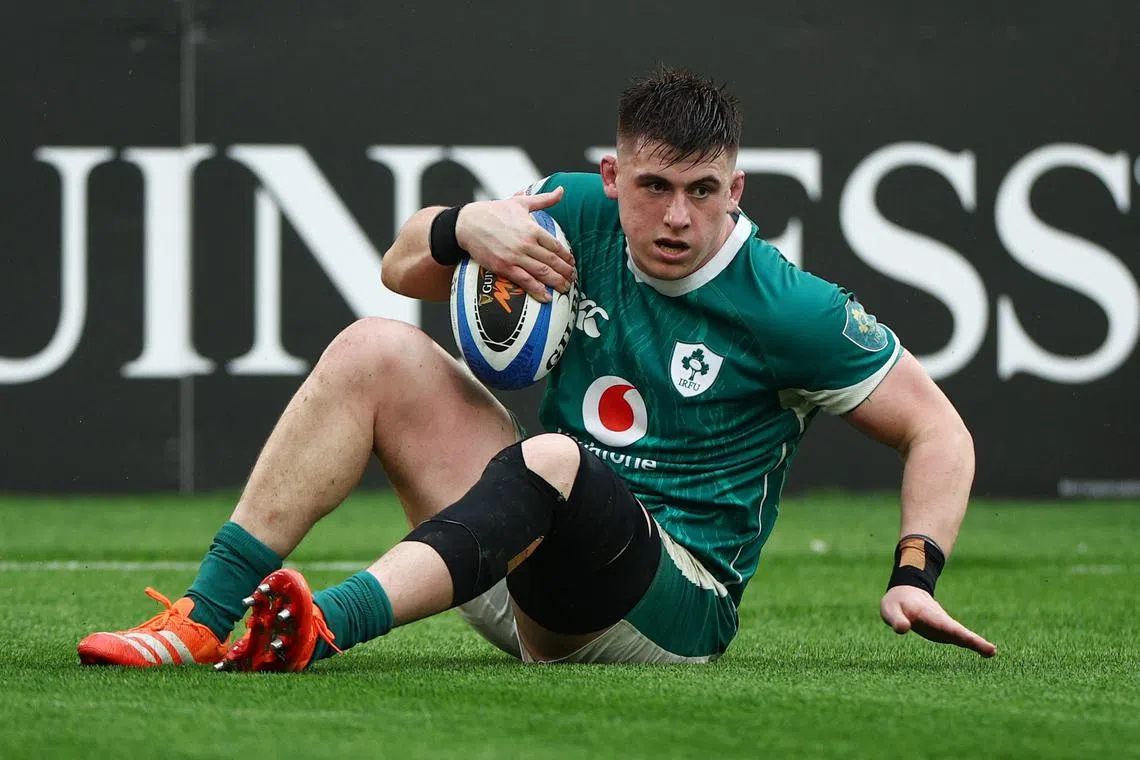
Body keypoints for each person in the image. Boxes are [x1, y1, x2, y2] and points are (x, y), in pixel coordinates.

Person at [77, 66, 996, 670]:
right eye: (654, 187)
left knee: (554, 457)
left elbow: (938, 428)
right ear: (613, 173)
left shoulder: (788, 305)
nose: (677, 217)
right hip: (517, 557)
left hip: (665, 611)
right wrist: (460, 224)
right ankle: (200, 618)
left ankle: (321, 629)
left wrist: (914, 572)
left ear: (736, 190)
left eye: (703, 191)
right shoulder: (574, 212)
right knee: (374, 347)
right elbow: (400, 271)